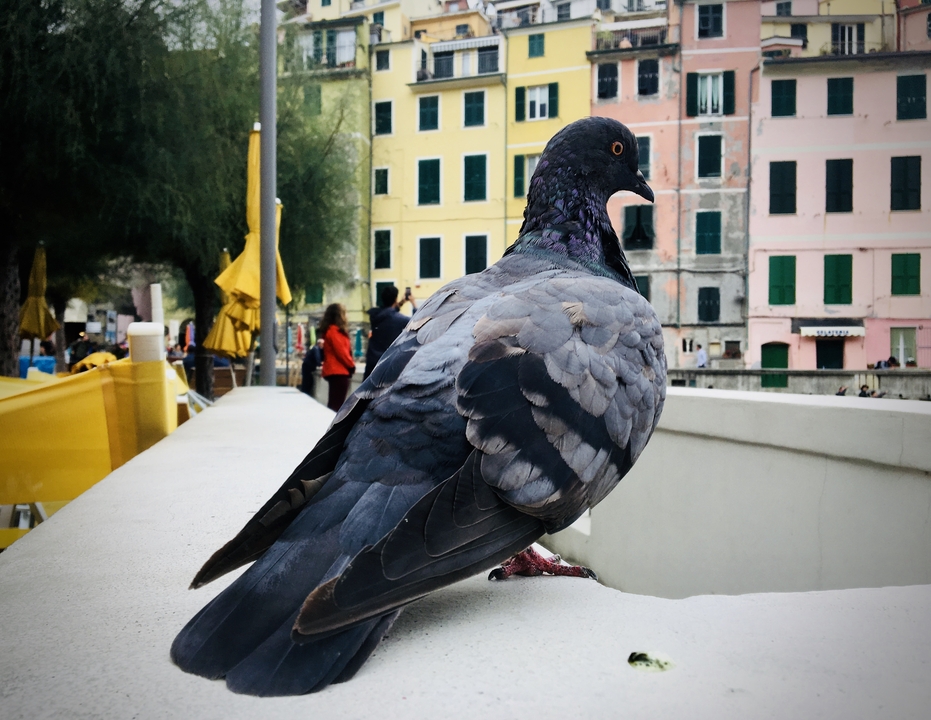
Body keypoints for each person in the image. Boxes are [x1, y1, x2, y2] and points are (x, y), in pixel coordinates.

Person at [364, 285, 417, 380]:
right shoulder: (399, 319)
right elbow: (417, 322)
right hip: (387, 364)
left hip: (372, 362)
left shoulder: (374, 316)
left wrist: (400, 303)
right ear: (395, 298)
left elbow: (387, 313)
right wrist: (414, 304)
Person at [320, 303, 355, 411]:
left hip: (335, 371)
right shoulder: (334, 332)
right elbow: (342, 352)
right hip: (339, 372)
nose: (347, 316)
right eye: (345, 313)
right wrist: (351, 365)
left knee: (334, 403)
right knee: (337, 405)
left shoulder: (331, 331)